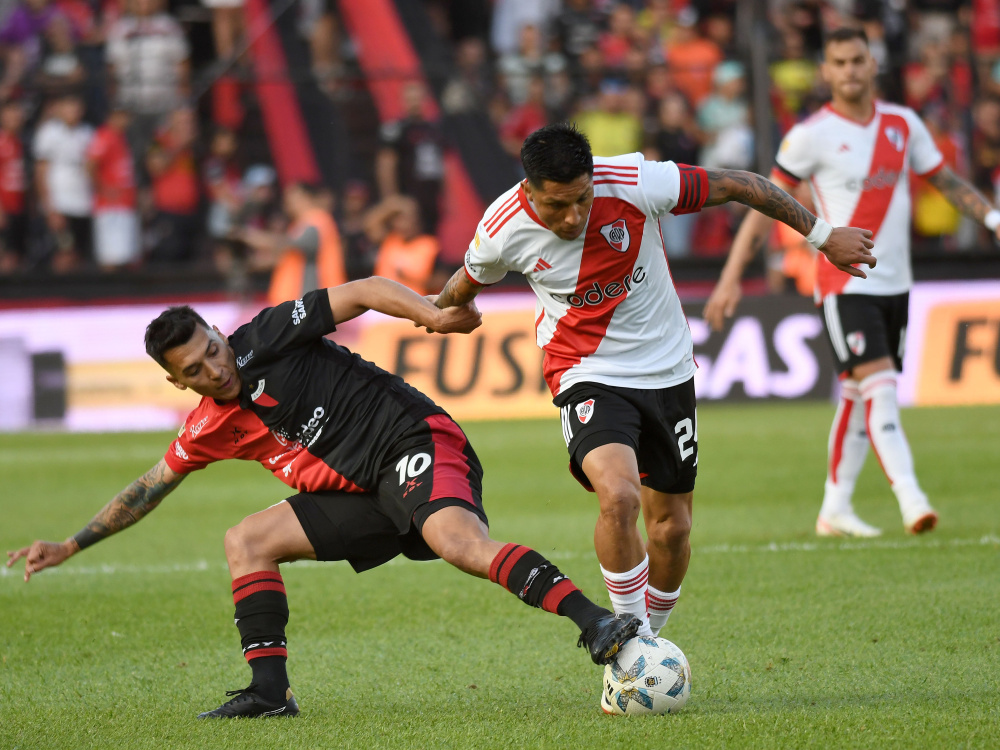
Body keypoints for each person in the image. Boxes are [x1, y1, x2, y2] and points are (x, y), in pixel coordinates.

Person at [6, 277, 641, 718]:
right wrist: (70, 544)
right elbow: (147, 488)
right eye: (195, 370)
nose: (215, 369)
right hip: (363, 494)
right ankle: (269, 692)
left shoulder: (268, 335)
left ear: (217, 334)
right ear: (177, 381)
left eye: (212, 349)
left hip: (412, 441)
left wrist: (432, 315)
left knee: (457, 543)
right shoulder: (207, 426)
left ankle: (595, 623)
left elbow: (362, 292)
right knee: (245, 541)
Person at [432, 122, 876, 646]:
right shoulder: (502, 226)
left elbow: (737, 183)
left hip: (667, 369)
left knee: (672, 530)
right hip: (585, 370)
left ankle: (647, 639)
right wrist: (442, 311)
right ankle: (627, 645)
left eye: (581, 199)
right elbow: (467, 277)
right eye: (557, 206)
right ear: (529, 190)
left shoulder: (637, 182)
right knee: (618, 497)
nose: (572, 216)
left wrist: (823, 237)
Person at [703, 27, 1000, 538]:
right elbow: (763, 205)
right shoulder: (810, 135)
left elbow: (946, 182)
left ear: (872, 63)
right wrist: (731, 277)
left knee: (856, 393)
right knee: (880, 387)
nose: (849, 71)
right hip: (844, 283)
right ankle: (912, 499)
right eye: (839, 63)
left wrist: (993, 221)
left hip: (897, 282)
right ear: (826, 71)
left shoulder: (903, 125)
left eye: (857, 60)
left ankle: (834, 507)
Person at [237, 180, 346, 306]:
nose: (287, 202)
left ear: (306, 197)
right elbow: (291, 255)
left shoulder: (317, 221)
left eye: (292, 197)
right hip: (300, 300)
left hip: (314, 299)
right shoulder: (300, 224)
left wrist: (248, 235)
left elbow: (286, 243)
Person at [87, 106, 139, 270]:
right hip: (110, 206)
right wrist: (102, 189)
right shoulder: (104, 136)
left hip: (125, 203)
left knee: (128, 256)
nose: (125, 121)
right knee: (110, 256)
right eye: (121, 116)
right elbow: (90, 164)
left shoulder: (122, 137)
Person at [366, 194, 439, 295]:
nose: (404, 224)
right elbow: (370, 225)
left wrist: (408, 278)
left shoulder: (429, 245)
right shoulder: (390, 239)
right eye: (400, 219)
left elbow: (441, 280)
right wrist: (393, 205)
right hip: (381, 303)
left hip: (414, 304)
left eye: (409, 219)